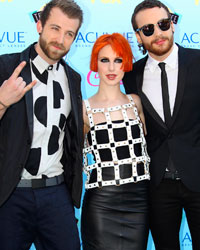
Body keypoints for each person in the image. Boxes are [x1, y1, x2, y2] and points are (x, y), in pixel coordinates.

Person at [0, 0, 83, 249]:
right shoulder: (6, 67)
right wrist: (2, 102)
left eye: (69, 33)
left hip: (56, 194)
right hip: (10, 196)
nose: (61, 39)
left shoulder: (73, 79)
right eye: (55, 28)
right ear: (39, 25)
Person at [123, 0, 200, 249]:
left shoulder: (197, 61)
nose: (157, 33)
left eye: (163, 24)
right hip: (157, 186)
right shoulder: (130, 75)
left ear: (173, 25)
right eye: (148, 29)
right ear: (138, 35)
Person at [81, 33, 150, 250]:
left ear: (125, 63)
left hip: (138, 200)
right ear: (95, 63)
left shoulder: (135, 102)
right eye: (105, 60)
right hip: (101, 202)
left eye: (118, 60)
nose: (111, 68)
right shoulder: (84, 108)